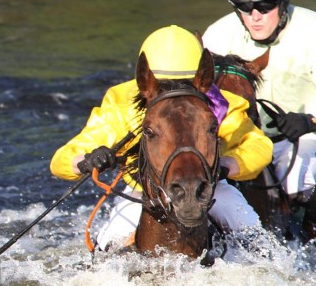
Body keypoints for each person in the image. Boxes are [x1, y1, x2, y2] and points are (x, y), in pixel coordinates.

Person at [50, 25, 271, 251]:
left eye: (184, 85)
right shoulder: (120, 104)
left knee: (243, 222)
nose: (172, 93)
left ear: (199, 79)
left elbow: (258, 145)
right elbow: (61, 160)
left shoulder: (222, 103)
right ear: (147, 81)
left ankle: (265, 259)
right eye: (163, 87)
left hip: (210, 187)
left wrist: (226, 166)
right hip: (143, 193)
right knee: (111, 241)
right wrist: (88, 160)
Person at [203, 0, 316, 206]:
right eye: (244, 6)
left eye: (265, 5)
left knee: (297, 186)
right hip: (239, 140)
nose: (255, 16)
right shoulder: (216, 36)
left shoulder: (313, 31)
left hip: (303, 138)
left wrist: (309, 121)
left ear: (283, 1)